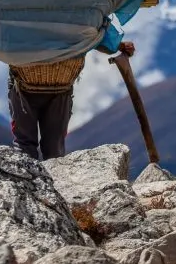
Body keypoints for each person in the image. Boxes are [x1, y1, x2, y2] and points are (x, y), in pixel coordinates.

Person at [8, 24, 136, 161]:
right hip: (61, 83)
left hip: (24, 80)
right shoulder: (76, 10)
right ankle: (50, 180)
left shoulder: (21, 11)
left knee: (25, 146)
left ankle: (24, 180)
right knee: (54, 149)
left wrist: (118, 45)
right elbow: (93, 28)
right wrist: (118, 45)